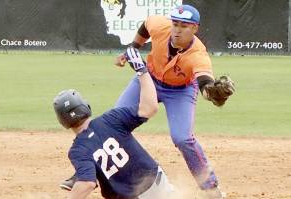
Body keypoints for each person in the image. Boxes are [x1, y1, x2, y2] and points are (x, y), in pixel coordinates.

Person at [114, 4, 235, 199]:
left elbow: (204, 81)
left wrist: (211, 92)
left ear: (194, 28)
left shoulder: (198, 55)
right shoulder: (160, 26)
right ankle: (87, 174)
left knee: (182, 138)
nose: (177, 30)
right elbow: (146, 25)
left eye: (184, 26)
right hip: (148, 80)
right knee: (113, 122)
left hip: (180, 91)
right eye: (175, 24)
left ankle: (211, 188)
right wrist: (133, 47)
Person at [53, 47, 175, 199]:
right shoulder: (111, 119)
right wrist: (141, 70)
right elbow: (150, 108)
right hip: (159, 185)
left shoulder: (78, 150)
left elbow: (87, 183)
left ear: (63, 121)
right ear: (85, 107)